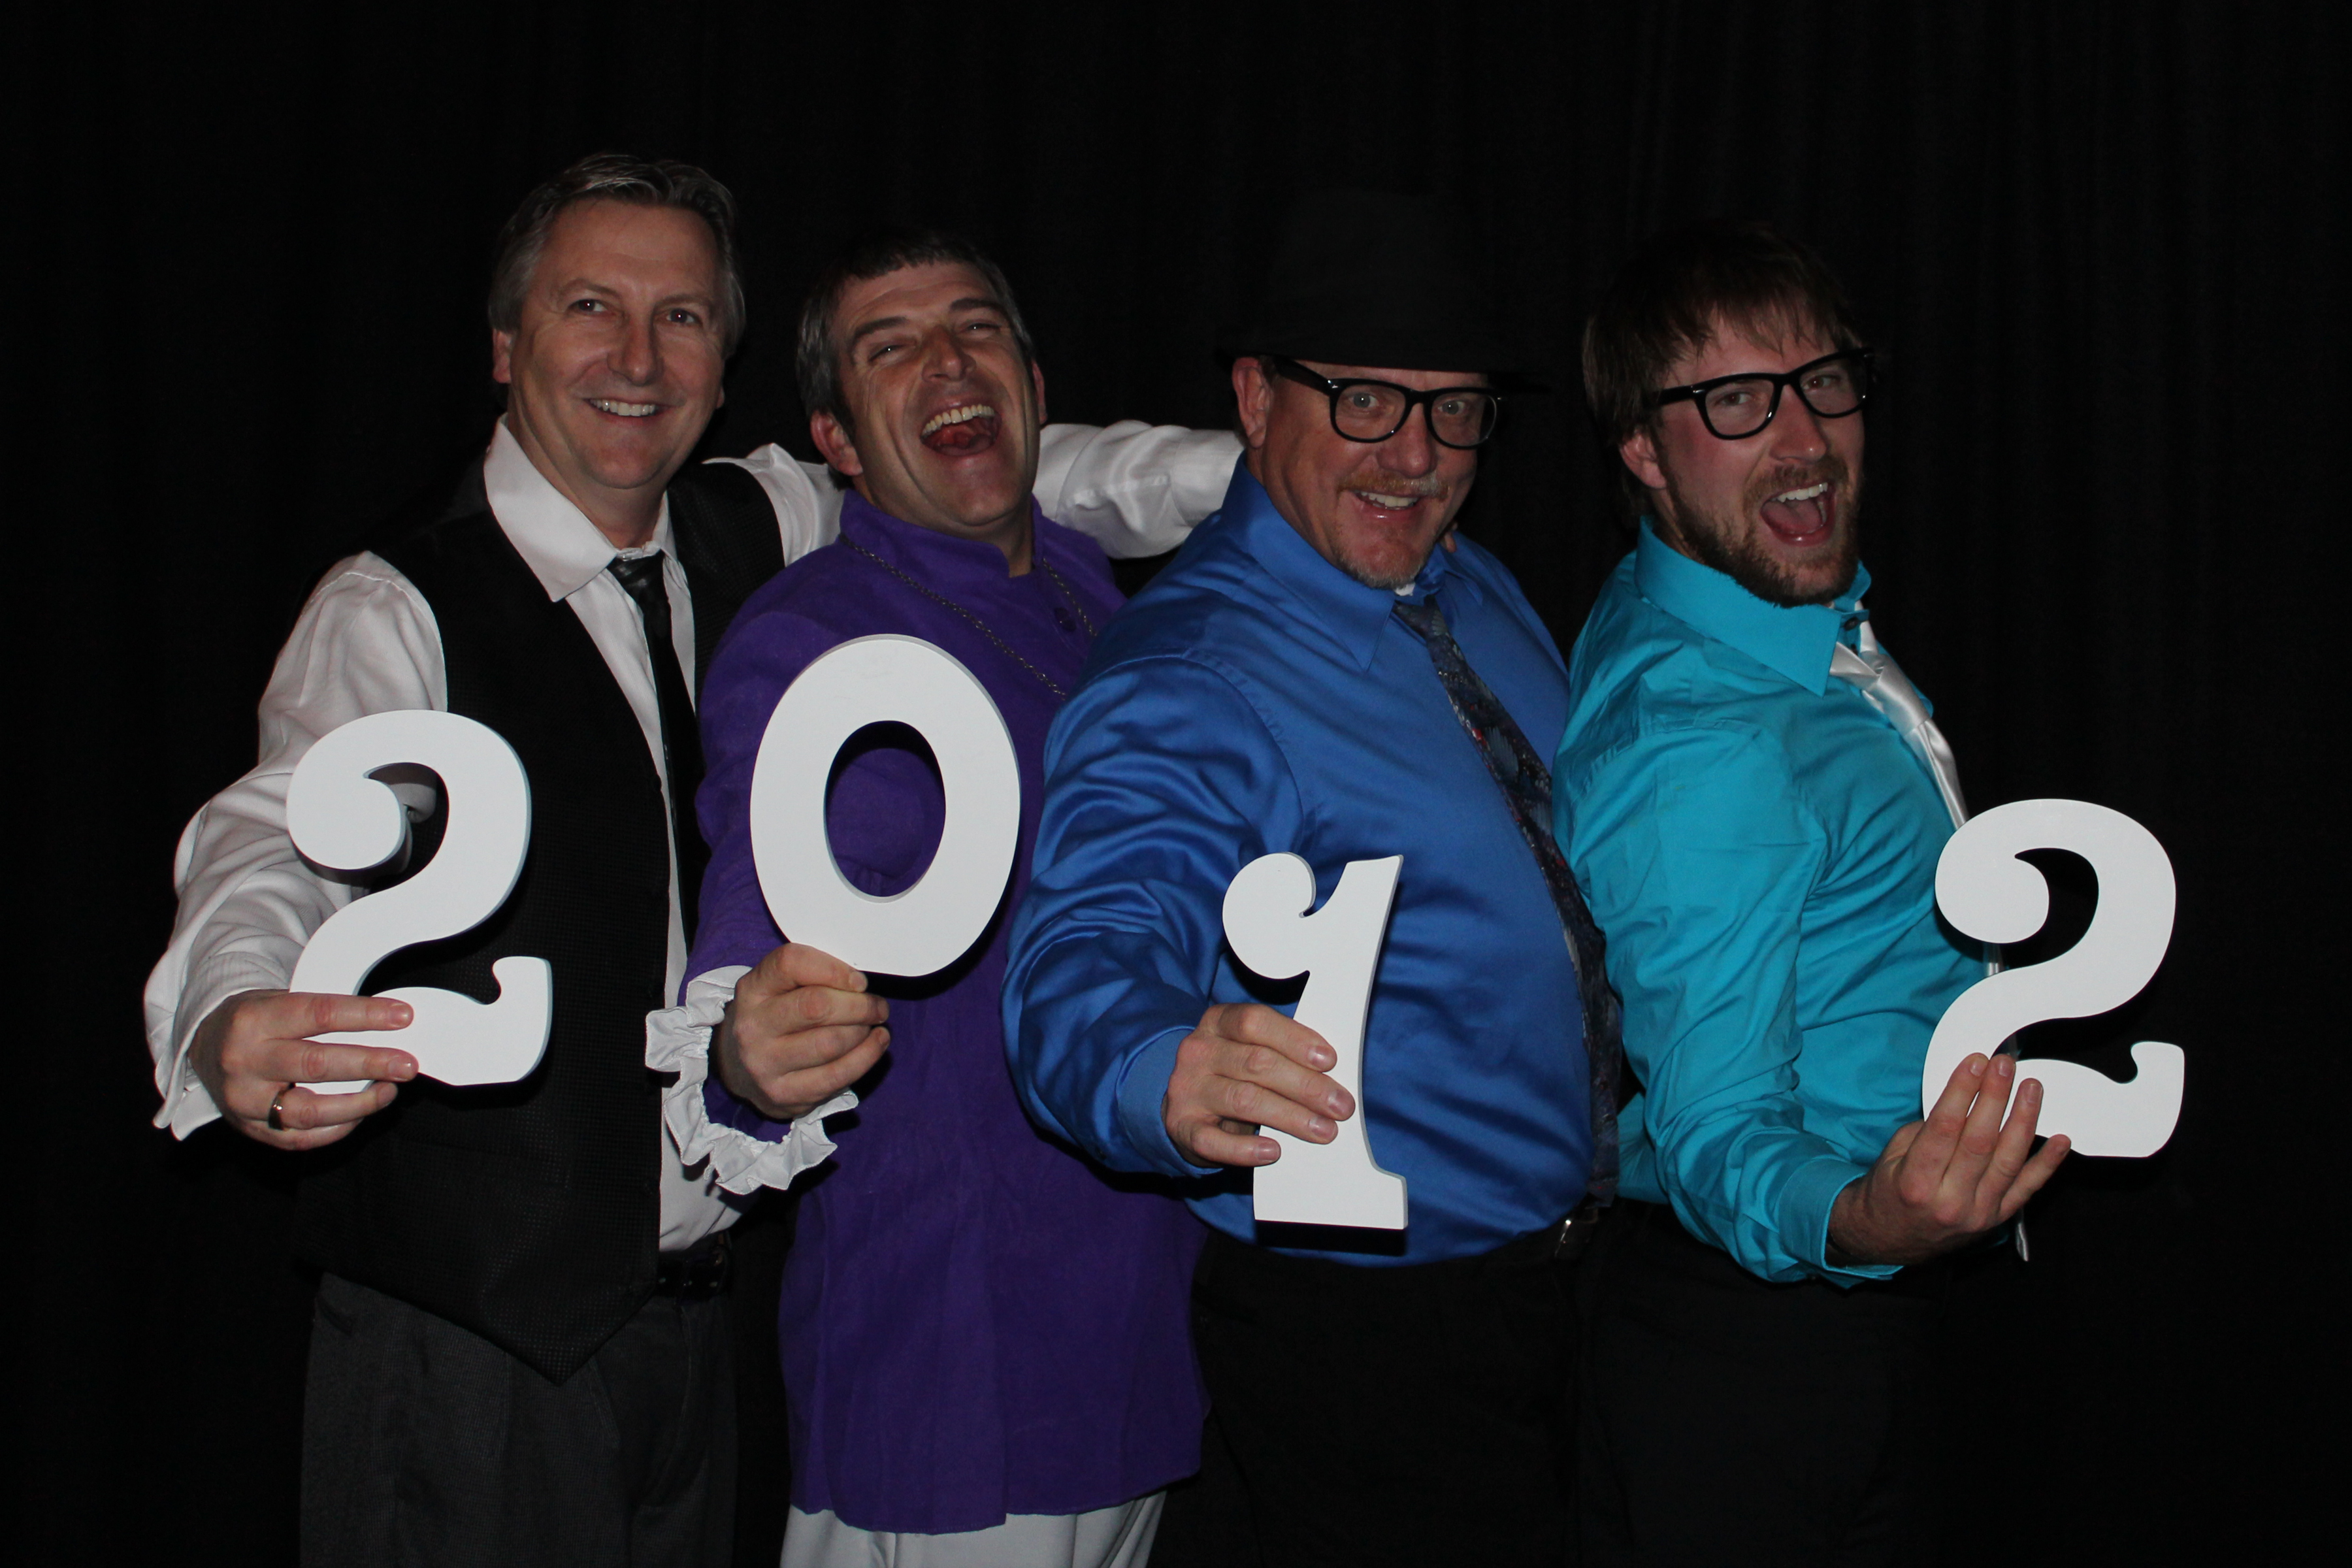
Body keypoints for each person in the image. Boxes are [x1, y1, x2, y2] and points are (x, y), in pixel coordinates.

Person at [140, 154, 1237, 1567]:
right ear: (505, 345)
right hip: (474, 1342)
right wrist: (232, 1007)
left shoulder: (757, 517)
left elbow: (1010, 463)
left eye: (683, 318)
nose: (638, 358)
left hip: (707, 1330)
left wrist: (1281, 465)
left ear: (724, 371)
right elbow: (272, 830)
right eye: (590, 307)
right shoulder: (398, 604)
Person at [1002, 193, 1622, 1568]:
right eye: (1365, 401)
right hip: (1376, 1349)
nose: (1417, 455)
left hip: (1562, 1303)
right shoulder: (1191, 670)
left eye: (1455, 410)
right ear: (1254, 398)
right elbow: (1083, 954)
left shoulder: (1469, 583)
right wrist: (1151, 1067)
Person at [650, 230, 1205, 1568]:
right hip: (954, 1374)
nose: (949, 362)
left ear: (1032, 382)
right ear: (836, 440)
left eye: (976, 329)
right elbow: (761, 901)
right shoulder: (815, 638)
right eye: (890, 347)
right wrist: (743, 1055)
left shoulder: (1082, 582)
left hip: (1136, 1332)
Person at [1554, 219, 2070, 1565]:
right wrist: (1868, 1221)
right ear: (1642, 450)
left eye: (1824, 382)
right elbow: (1718, 1128)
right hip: (1772, 1354)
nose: (1805, 438)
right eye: (1735, 400)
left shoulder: (1735, 612)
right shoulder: (1707, 740)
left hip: (1844, 1326)